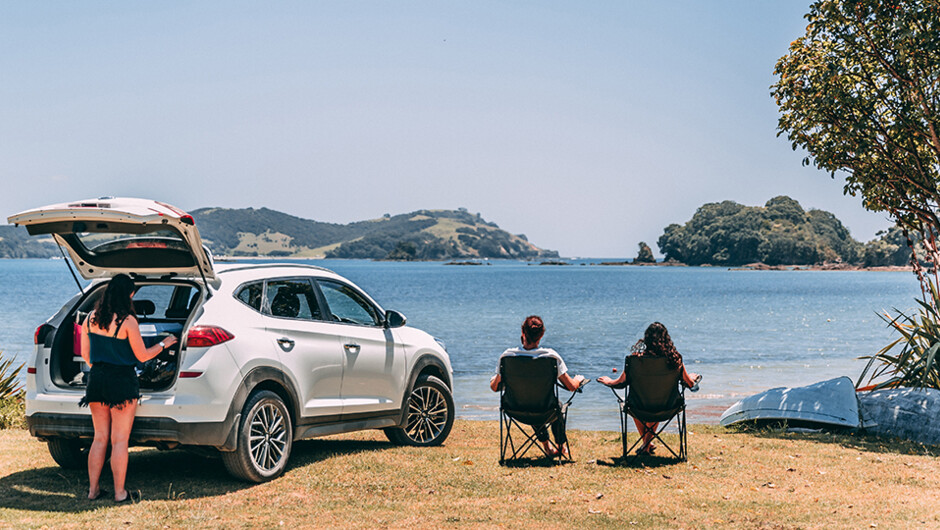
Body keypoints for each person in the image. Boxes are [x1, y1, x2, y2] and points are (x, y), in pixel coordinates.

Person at [79, 274, 178, 502]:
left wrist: (102, 367)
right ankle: (119, 493)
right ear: (129, 294)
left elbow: (86, 354)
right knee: (120, 440)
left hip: (97, 379)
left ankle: (93, 491)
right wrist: (164, 344)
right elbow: (142, 355)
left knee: (99, 438)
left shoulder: (90, 319)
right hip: (122, 381)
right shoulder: (128, 321)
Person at [598, 322, 701, 455]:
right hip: (667, 407)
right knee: (658, 400)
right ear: (666, 339)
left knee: (640, 402)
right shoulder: (675, 360)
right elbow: (691, 384)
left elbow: (621, 382)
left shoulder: (634, 360)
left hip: (638, 408)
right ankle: (647, 444)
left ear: (646, 339)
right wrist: (691, 377)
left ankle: (645, 444)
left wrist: (609, 381)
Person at [490, 315, 586, 458]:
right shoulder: (551, 356)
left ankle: (547, 447)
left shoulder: (507, 356)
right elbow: (571, 386)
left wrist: (495, 378)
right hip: (546, 410)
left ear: (523, 333)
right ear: (541, 335)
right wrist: (579, 379)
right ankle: (560, 446)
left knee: (530, 397)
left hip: (515, 409)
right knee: (552, 406)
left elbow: (494, 387)